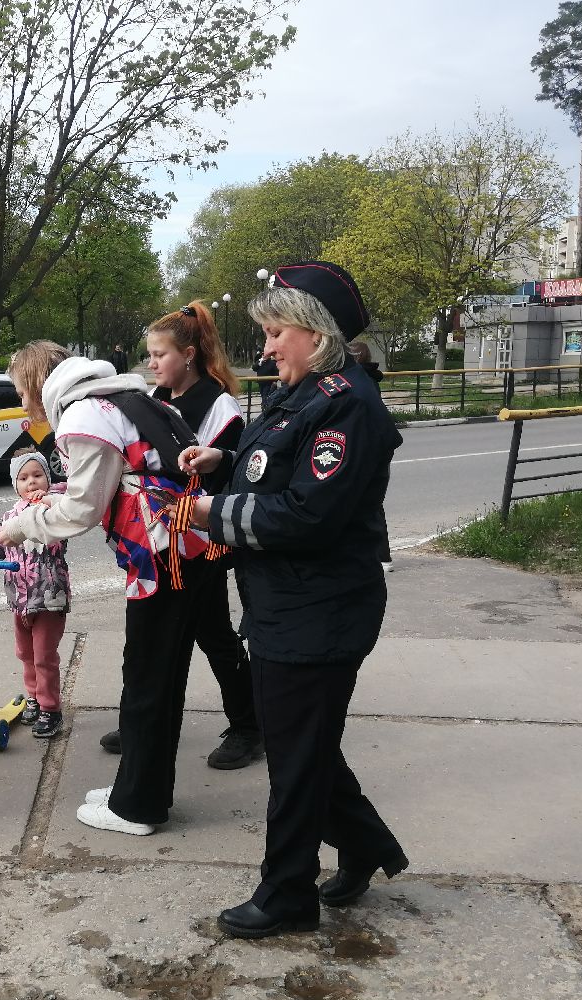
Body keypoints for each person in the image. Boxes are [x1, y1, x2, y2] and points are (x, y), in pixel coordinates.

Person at [180, 261, 408, 938]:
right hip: (290, 605)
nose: (269, 345)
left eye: (279, 331)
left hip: (320, 609)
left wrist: (209, 516)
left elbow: (308, 515)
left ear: (317, 333)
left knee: (295, 757)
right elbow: (273, 462)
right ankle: (367, 847)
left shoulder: (346, 404)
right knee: (302, 747)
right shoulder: (306, 392)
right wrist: (222, 464)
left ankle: (286, 895)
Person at [0, 340, 215, 837]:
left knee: (147, 681)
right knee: (155, 677)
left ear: (36, 385)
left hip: (163, 559)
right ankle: (138, 789)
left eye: (20, 392)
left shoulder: (83, 418)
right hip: (185, 551)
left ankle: (137, 806)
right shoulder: (124, 398)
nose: (24, 405)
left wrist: (23, 524)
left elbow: (81, 508)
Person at [95, 301, 259, 770]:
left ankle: (249, 728)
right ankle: (139, 723)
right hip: (156, 543)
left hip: (199, 544)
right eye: (149, 355)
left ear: (188, 354)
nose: (151, 364)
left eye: (159, 355)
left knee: (215, 638)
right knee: (145, 639)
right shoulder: (157, 402)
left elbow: (225, 475)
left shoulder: (220, 404)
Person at [0, 451, 72, 738]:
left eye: (37, 475)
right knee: (25, 654)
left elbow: (69, 497)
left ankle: (50, 708)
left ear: (48, 478)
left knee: (44, 656)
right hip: (19, 601)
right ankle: (33, 697)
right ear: (15, 484)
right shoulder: (11, 515)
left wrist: (51, 496)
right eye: (24, 478)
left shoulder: (55, 510)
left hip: (48, 599)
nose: (31, 482)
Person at [346, 342, 393, 573]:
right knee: (372, 503)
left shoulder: (358, 380)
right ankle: (382, 555)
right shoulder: (370, 378)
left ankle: (381, 556)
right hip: (374, 443)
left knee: (368, 504)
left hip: (367, 444)